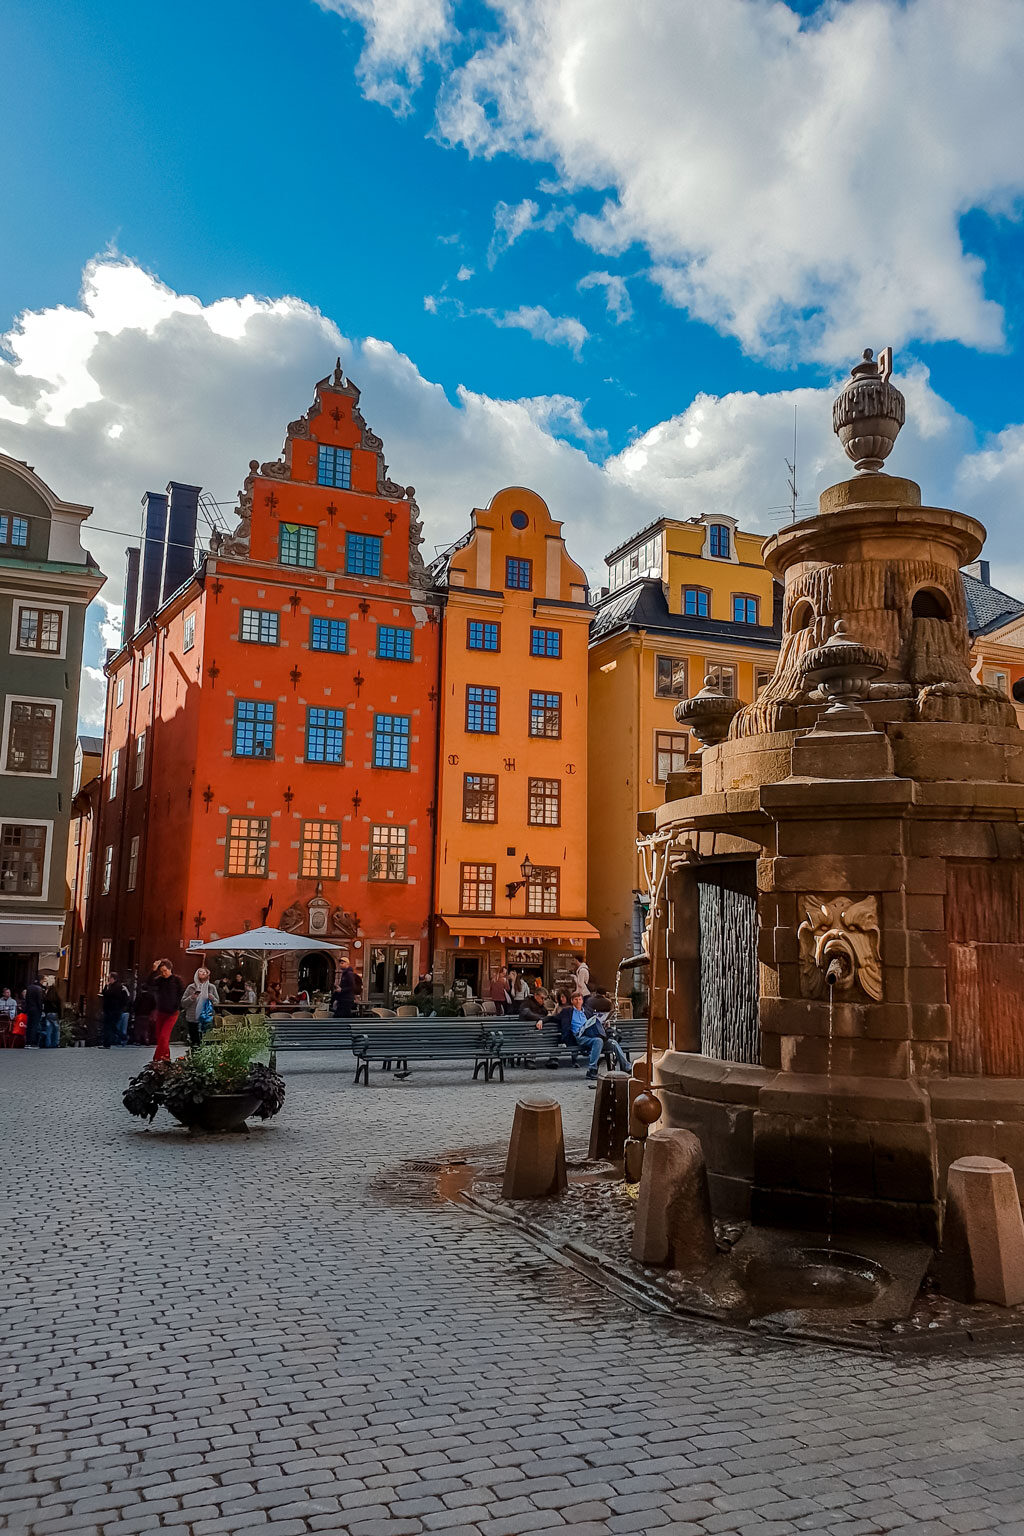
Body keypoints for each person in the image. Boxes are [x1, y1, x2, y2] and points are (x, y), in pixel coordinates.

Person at [556, 990, 630, 1082]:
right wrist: (542, 1021)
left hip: (592, 1034)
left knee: (613, 1043)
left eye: (580, 999)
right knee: (598, 1041)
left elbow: (594, 1022)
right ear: (572, 1001)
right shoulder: (567, 1012)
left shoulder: (587, 1011)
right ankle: (592, 1070)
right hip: (580, 1037)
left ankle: (626, 1067)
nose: (578, 1001)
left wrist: (603, 1025)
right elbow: (553, 1018)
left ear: (582, 1000)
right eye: (576, 999)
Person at [148, 959, 184, 1063]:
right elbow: (149, 983)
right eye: (161, 971)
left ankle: (159, 1058)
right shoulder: (159, 980)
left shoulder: (177, 980)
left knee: (164, 1036)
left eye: (165, 971)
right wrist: (153, 970)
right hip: (161, 1011)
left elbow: (181, 994)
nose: (164, 973)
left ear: (170, 969)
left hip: (172, 1013)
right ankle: (164, 1058)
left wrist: (177, 1006)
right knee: (160, 1037)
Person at [181, 967, 219, 1049]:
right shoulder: (191, 987)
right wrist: (192, 997)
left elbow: (217, 1002)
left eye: (204, 972)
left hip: (207, 1017)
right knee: (195, 1042)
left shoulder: (211, 987)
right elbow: (183, 1003)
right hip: (192, 1018)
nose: (201, 973)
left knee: (206, 1042)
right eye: (199, 972)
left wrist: (211, 997)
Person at [101, 973, 130, 1049]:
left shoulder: (115, 987)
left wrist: (106, 986)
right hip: (116, 1010)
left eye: (109, 978)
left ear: (113, 978)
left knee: (108, 1027)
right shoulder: (120, 987)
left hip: (111, 1010)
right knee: (112, 1027)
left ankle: (107, 1043)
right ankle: (123, 1037)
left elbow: (106, 994)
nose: (108, 980)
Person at [23, 976, 44, 1048]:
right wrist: (41, 1009)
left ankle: (27, 1042)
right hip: (36, 1010)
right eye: (43, 981)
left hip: (29, 1009)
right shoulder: (39, 989)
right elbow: (39, 1001)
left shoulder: (29, 988)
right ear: (40, 980)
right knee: (34, 1026)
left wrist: (26, 1009)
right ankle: (32, 1043)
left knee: (29, 1025)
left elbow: (27, 999)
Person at [42, 979, 62, 1048]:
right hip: (55, 1015)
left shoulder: (47, 999)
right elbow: (59, 1008)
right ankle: (55, 1044)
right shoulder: (57, 999)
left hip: (48, 1015)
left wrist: (46, 1013)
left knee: (48, 1030)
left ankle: (48, 1044)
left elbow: (45, 1008)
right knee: (56, 1031)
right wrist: (60, 1016)